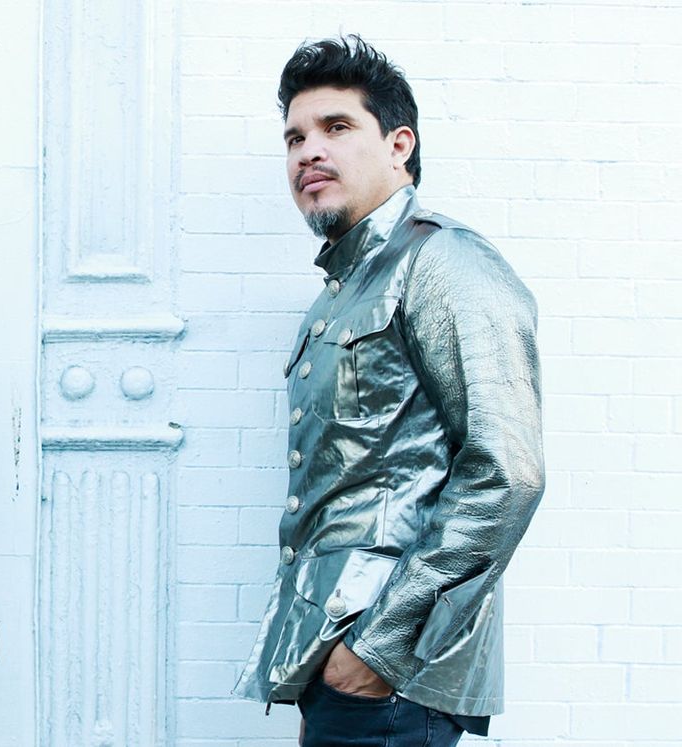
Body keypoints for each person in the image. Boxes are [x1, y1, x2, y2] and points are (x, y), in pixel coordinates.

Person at [234, 36, 544, 746]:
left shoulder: (445, 261)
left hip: (391, 674)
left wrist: (379, 648)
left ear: (399, 145)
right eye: (295, 138)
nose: (308, 151)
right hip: (335, 656)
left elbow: (508, 472)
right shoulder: (340, 292)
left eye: (336, 127)